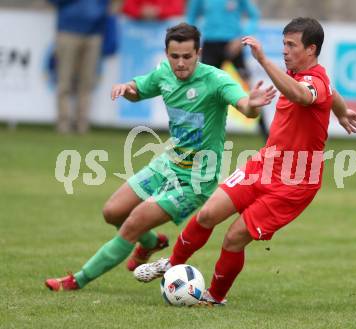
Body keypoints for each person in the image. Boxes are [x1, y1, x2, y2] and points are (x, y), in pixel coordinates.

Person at [134, 17, 356, 306]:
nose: (285, 50)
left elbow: (304, 96)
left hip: (294, 183)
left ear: (311, 49)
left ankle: (215, 297)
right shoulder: (304, 76)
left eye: (291, 45)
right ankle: (172, 264)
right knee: (207, 215)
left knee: (233, 237)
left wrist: (264, 61)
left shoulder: (311, 81)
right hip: (264, 165)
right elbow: (329, 93)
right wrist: (341, 112)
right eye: (283, 44)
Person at [44, 23, 276, 291]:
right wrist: (127, 88)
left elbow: (244, 106)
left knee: (132, 223)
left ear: (198, 53)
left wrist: (253, 105)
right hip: (167, 163)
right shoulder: (164, 73)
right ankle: (152, 242)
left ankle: (76, 281)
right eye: (174, 56)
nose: (180, 63)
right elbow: (139, 89)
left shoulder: (216, 80)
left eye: (187, 56)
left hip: (195, 179)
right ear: (167, 54)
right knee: (112, 212)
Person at [186, 0, 270, 140]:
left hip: (233, 45)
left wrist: (241, 39)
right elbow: (191, 17)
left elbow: (254, 16)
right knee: (203, 90)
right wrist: (194, 41)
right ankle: (196, 134)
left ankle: (266, 134)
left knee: (250, 88)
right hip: (210, 46)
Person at [48, 0, 111, 134]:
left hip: (94, 33)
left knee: (87, 82)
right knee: (64, 80)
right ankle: (63, 124)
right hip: (67, 31)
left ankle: (82, 125)